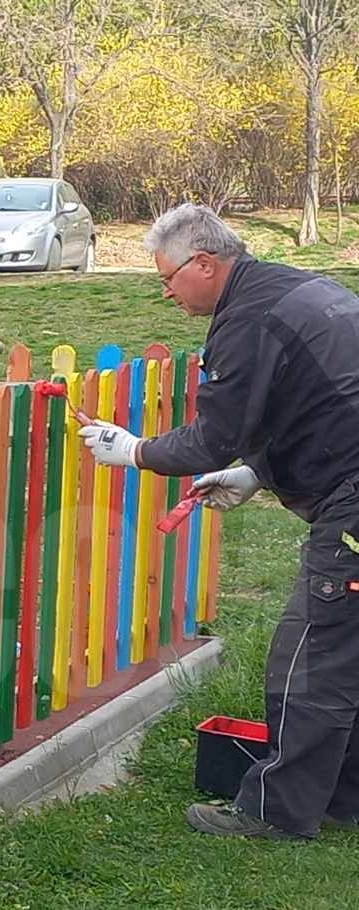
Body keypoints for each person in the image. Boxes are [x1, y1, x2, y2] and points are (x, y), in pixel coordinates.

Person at [78, 202, 359, 840]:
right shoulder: (299, 289)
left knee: (309, 656)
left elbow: (213, 438)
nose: (166, 292)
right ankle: (344, 797)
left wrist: (135, 452)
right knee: (345, 651)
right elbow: (319, 400)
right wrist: (258, 474)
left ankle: (276, 816)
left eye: (168, 279)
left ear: (204, 264)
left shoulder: (251, 319)